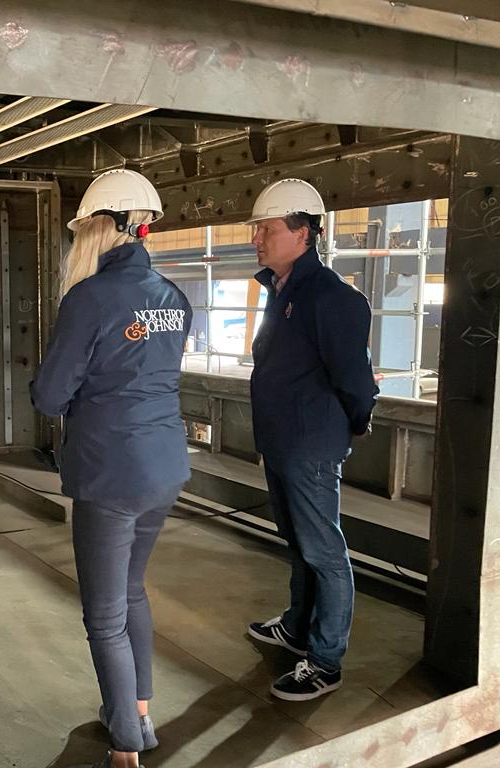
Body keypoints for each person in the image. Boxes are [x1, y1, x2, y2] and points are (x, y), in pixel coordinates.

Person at [31, 169, 192, 768]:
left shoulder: (89, 298)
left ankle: (126, 746)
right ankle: (138, 712)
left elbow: (50, 395)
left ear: (97, 229)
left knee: (104, 615)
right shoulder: (174, 297)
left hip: (110, 470)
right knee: (131, 592)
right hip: (164, 465)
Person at [243, 178, 379, 701]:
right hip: (281, 442)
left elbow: (355, 379)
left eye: (267, 229)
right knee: (299, 543)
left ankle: (325, 661)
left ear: (303, 233)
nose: (256, 238)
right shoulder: (282, 292)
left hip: (310, 446)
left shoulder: (332, 298)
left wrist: (356, 420)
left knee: (325, 552)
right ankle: (297, 628)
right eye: (256, 229)